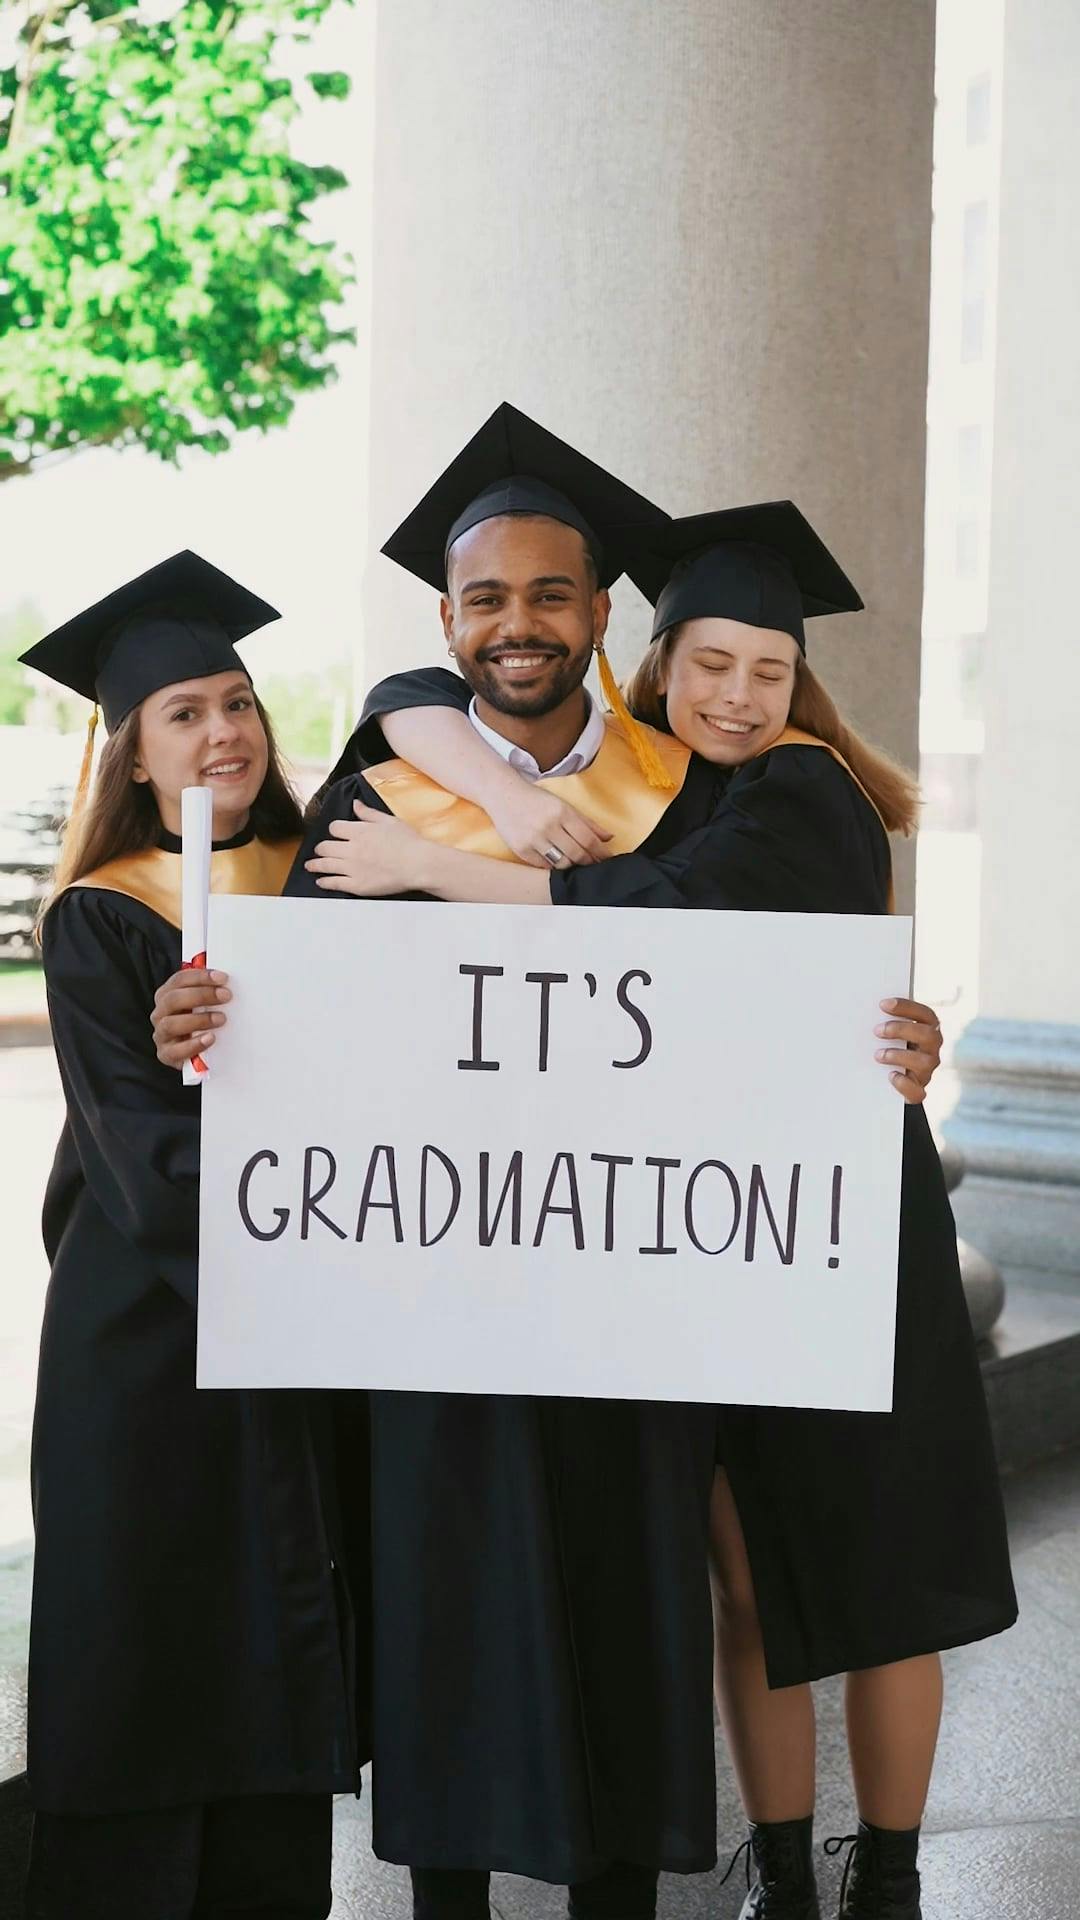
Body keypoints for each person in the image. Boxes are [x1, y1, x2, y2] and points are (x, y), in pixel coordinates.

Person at [153, 413, 947, 1920]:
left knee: (635, 1603)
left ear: (601, 617)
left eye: (552, 597)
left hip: (633, 1304)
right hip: (445, 1297)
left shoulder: (691, 782)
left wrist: (892, 1034)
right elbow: (300, 1006)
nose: (518, 625)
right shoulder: (384, 782)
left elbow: (777, 961)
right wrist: (205, 1014)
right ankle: (445, 1894)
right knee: (447, 1596)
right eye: (484, 601)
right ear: (447, 622)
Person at [18, 553, 358, 1920]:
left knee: (273, 1645)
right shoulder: (102, 912)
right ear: (134, 756)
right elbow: (150, 1168)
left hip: (281, 1325)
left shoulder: (329, 881)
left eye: (239, 700)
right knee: (144, 1647)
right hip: (148, 1346)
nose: (225, 729)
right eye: (183, 713)